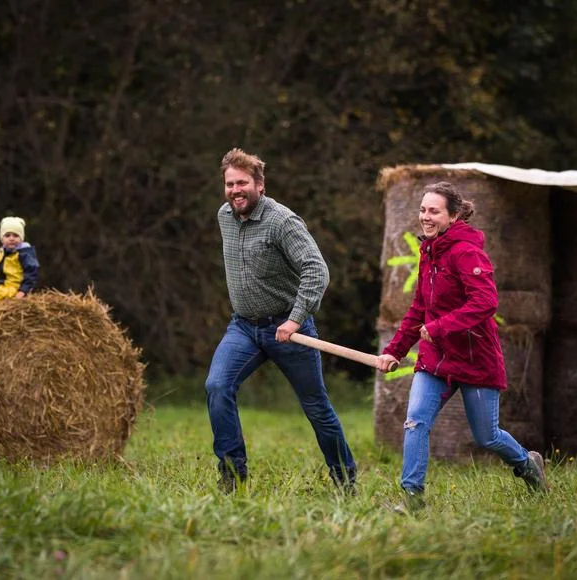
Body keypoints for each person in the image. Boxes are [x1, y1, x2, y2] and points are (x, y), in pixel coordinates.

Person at [376, 181, 548, 508]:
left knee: (487, 436)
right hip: (436, 361)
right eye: (423, 210)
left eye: (434, 211)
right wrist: (394, 351)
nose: (425, 217)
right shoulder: (429, 251)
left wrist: (440, 327)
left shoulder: (466, 251)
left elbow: (486, 302)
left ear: (453, 216)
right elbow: (418, 309)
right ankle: (412, 498)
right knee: (416, 421)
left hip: (474, 360)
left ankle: (528, 464)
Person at [204, 147, 356, 493]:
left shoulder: (282, 221)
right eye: (229, 184)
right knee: (217, 386)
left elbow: (317, 271)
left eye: (242, 183)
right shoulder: (224, 216)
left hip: (289, 329)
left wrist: (295, 319)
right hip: (243, 326)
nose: (235, 190)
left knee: (317, 408)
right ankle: (233, 475)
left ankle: (346, 481)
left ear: (260, 185)